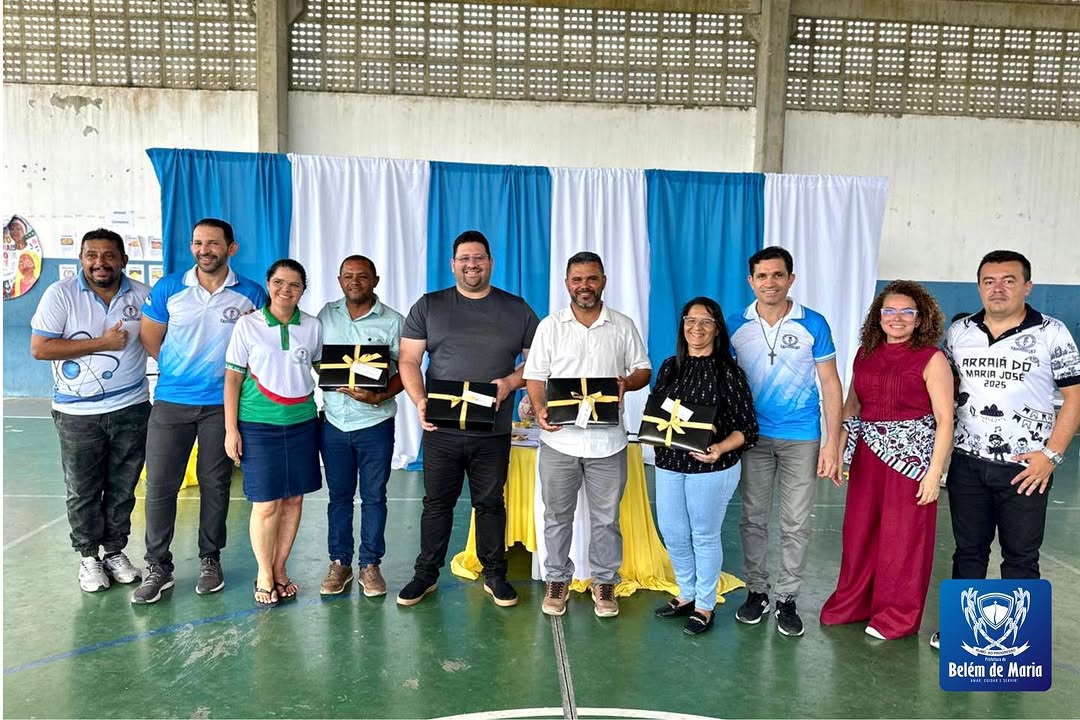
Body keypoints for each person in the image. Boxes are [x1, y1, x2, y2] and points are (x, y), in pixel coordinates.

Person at [930, 250, 1079, 649]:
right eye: (989, 281)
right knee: (969, 551)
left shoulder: (1052, 332)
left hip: (1026, 468)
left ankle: (1019, 640)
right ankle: (962, 631)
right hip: (967, 463)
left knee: (1021, 556)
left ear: (1027, 286)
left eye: (1009, 280)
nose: (998, 289)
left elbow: (1075, 398)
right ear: (979, 286)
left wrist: (1051, 456)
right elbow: (942, 389)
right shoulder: (959, 333)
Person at [396, 230, 540, 607]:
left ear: (490, 262)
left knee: (490, 504)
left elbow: (538, 363)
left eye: (478, 258)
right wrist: (419, 400)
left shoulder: (517, 308)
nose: (471, 265)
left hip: (492, 431)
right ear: (453, 264)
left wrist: (510, 383)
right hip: (440, 428)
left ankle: (495, 574)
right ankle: (426, 574)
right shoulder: (429, 306)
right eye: (464, 258)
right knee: (436, 504)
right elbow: (408, 359)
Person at [132, 218, 268, 604]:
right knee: (160, 485)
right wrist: (179, 371)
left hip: (221, 407)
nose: (204, 250)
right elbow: (150, 338)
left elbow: (261, 347)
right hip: (171, 402)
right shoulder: (169, 287)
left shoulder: (251, 293)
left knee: (215, 483)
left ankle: (211, 559)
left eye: (212, 243)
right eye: (197, 243)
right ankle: (158, 566)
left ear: (231, 248)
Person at [819, 281, 953, 640]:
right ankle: (854, 603)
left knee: (903, 539)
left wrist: (934, 473)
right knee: (859, 533)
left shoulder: (932, 358)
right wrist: (840, 452)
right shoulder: (865, 353)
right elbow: (852, 406)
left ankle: (896, 615)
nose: (897, 318)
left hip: (910, 463)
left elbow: (945, 420)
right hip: (867, 457)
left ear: (920, 318)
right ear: (878, 317)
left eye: (907, 311)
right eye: (889, 311)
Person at [524, 251, 652, 618]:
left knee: (606, 519)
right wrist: (540, 409)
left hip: (608, 443)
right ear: (567, 284)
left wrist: (627, 383)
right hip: (559, 441)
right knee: (556, 516)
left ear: (603, 281)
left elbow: (643, 369)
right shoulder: (550, 326)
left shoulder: (622, 325)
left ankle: (605, 581)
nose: (585, 286)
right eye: (578, 279)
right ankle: (557, 579)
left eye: (592, 278)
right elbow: (536, 376)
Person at [727, 246, 843, 637]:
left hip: (801, 437)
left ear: (791, 279)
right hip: (753, 436)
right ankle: (757, 591)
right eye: (762, 276)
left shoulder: (813, 323)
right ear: (751, 281)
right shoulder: (736, 324)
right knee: (753, 518)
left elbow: (830, 383)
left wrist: (832, 442)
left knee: (795, 522)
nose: (770, 283)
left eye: (778, 275)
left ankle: (787, 598)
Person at [30, 228, 151, 592]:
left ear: (123, 260)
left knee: (123, 487)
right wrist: (103, 343)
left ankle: (114, 551)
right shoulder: (60, 294)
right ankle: (88, 557)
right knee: (82, 489)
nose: (100, 262)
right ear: (81, 259)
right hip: (76, 415)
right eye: (92, 255)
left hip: (131, 407)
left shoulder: (143, 295)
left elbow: (161, 337)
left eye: (109, 255)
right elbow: (40, 348)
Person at [650, 297, 758, 635]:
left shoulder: (729, 372)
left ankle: (705, 605)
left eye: (706, 321)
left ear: (717, 329)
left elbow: (747, 428)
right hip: (670, 462)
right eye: (690, 320)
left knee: (704, 535)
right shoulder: (670, 366)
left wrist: (719, 448)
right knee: (673, 532)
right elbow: (658, 412)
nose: (696, 327)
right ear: (682, 325)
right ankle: (686, 593)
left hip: (712, 467)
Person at [224, 259, 322, 605]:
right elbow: (232, 378)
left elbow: (325, 369)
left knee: (294, 499)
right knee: (266, 504)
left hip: (303, 423)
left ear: (303, 290)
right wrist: (231, 429)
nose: (286, 290)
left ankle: (280, 568)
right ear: (268, 284)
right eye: (279, 282)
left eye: (294, 284)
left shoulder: (312, 326)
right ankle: (264, 573)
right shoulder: (247, 325)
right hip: (258, 425)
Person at [317, 255, 405, 597]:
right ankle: (340, 563)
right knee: (338, 497)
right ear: (340, 280)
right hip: (334, 423)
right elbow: (315, 359)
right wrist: (332, 376)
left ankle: (370, 565)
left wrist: (379, 395)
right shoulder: (325, 316)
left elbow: (407, 370)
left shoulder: (393, 321)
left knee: (374, 497)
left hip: (375, 424)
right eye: (348, 276)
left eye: (363, 276)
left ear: (375, 280)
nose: (355, 281)